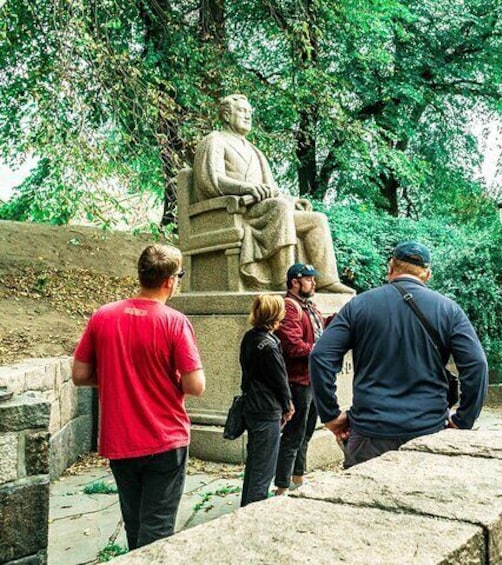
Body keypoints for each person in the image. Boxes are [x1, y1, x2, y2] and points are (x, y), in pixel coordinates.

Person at [72, 244, 206, 549]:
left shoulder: (103, 316)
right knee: (157, 530)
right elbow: (196, 385)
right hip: (165, 439)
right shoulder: (174, 322)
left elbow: (80, 375)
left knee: (134, 524)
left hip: (120, 441)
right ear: (170, 280)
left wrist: (115, 379)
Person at [310, 241, 488, 468]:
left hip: (370, 433)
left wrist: (330, 415)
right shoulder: (448, 310)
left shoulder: (358, 306)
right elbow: (476, 365)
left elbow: (320, 357)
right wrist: (463, 420)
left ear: (391, 267)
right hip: (428, 430)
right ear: (427, 274)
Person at [193, 93, 353, 293]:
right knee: (280, 207)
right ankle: (284, 279)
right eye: (242, 111)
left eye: (250, 112)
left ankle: (327, 281)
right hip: (240, 211)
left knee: (316, 219)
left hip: (267, 209)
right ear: (226, 115)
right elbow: (211, 179)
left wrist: (293, 200)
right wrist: (246, 188)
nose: (248, 116)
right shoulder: (215, 140)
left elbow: (271, 189)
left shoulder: (255, 151)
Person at [274, 263, 331, 494]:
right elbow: (294, 347)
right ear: (295, 282)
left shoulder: (310, 307)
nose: (314, 283)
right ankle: (281, 486)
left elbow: (322, 327)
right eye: (309, 279)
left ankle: (298, 478)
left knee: (306, 433)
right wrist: (322, 349)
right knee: (293, 435)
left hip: (312, 380)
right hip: (298, 382)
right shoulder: (289, 306)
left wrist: (345, 316)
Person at [239, 294, 294, 506]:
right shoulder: (269, 345)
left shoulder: (250, 337)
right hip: (266, 409)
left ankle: (246, 507)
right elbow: (280, 381)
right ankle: (254, 512)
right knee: (264, 470)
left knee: (254, 465)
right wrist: (288, 406)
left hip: (252, 406)